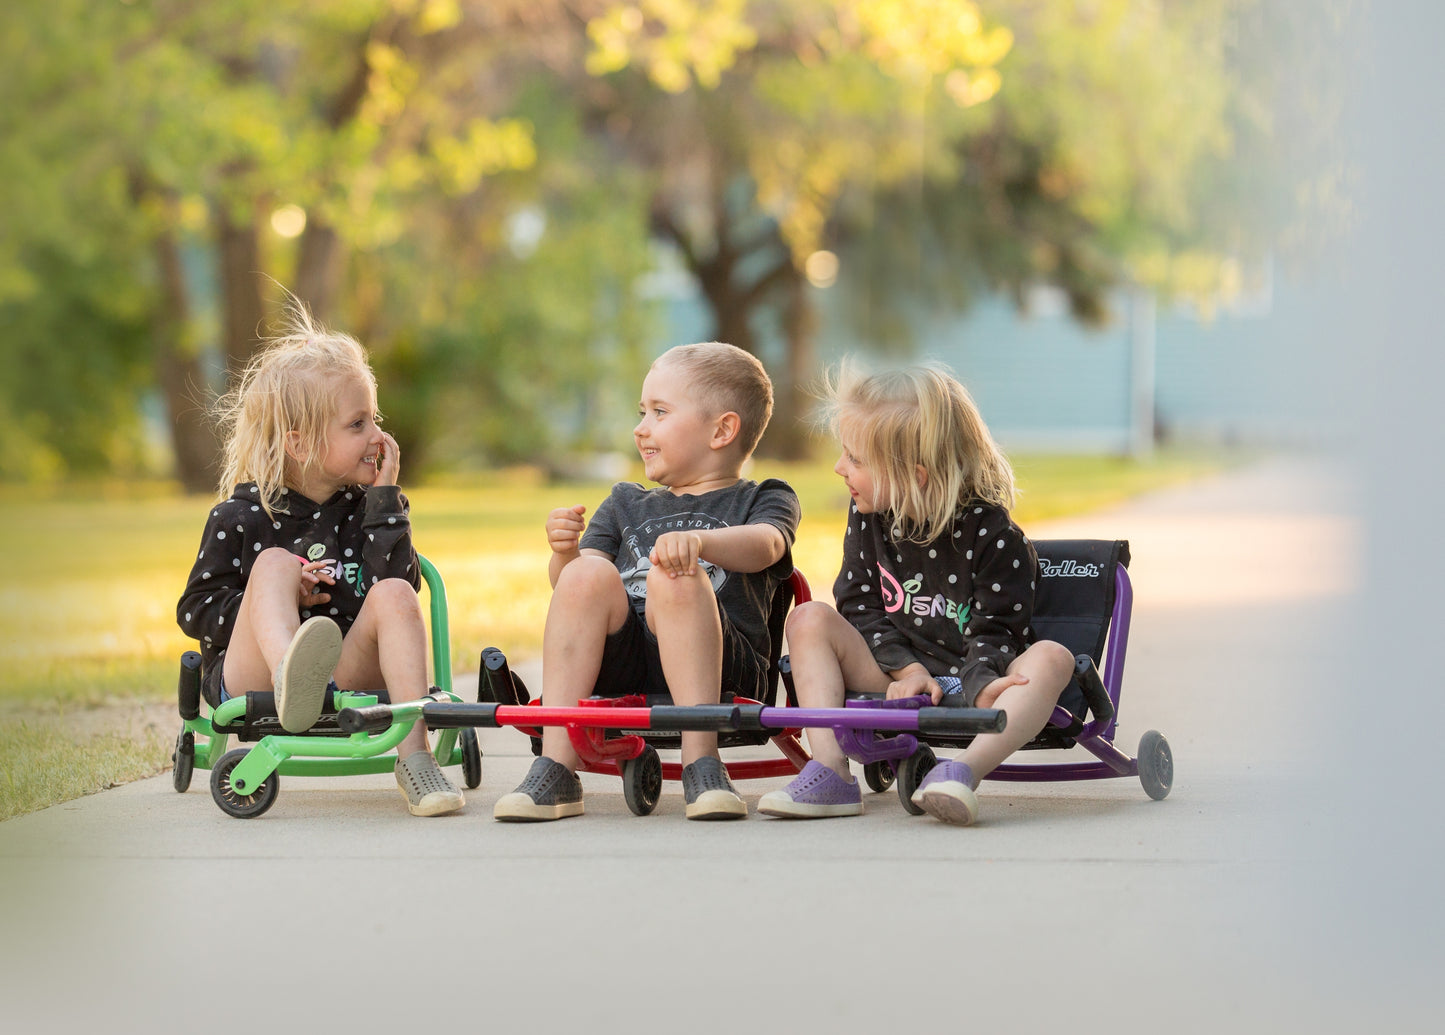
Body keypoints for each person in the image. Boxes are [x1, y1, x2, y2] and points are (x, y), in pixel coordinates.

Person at [176, 300, 464, 817]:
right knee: (275, 564)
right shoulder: (241, 517)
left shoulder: (371, 510)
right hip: (257, 677)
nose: (377, 436)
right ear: (301, 441)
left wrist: (385, 503)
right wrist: (272, 597)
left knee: (396, 593)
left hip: (343, 678)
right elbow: (194, 609)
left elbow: (401, 585)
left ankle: (415, 758)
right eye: (357, 424)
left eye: (374, 419)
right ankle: (292, 671)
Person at [493, 342, 801, 822]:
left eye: (659, 412)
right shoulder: (624, 503)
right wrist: (565, 554)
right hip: (627, 659)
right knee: (589, 572)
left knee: (674, 574)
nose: (641, 428)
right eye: (641, 412)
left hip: (721, 665)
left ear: (722, 430)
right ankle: (556, 764)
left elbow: (768, 545)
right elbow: (573, 588)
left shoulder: (765, 497)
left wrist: (698, 544)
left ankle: (703, 762)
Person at [758, 364, 1075, 825]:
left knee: (1053, 659)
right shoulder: (870, 514)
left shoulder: (994, 537)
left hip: (979, 679)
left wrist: (982, 680)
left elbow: (997, 627)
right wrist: (905, 670)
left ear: (916, 475)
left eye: (856, 459)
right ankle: (830, 771)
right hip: (895, 677)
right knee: (809, 618)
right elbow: (858, 603)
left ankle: (961, 772)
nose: (838, 468)